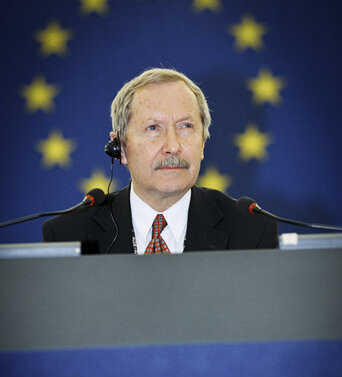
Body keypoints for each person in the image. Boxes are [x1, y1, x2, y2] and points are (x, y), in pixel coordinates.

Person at [43, 68, 278, 254]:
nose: (173, 146)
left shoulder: (251, 232)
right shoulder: (68, 236)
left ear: (203, 144)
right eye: (153, 128)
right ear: (121, 148)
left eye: (186, 126)